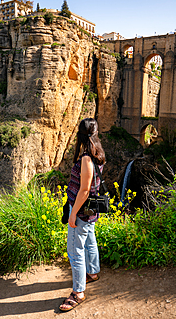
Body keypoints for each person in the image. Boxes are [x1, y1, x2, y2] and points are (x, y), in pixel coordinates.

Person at [59, 118, 106, 312]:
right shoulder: (99, 154)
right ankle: (93, 272)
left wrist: (73, 214)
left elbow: (84, 190)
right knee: (90, 240)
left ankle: (78, 292)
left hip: (81, 211)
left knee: (75, 250)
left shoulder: (87, 158)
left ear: (80, 135)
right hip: (91, 212)